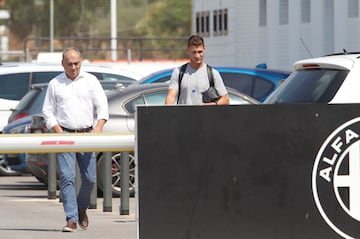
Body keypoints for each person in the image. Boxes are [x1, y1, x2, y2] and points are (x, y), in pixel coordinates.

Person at [42, 47, 109, 232]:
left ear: (81, 62)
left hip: (87, 135)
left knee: (90, 179)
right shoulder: (55, 84)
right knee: (67, 177)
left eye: (76, 63)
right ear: (62, 64)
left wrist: (98, 128)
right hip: (65, 135)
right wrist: (58, 130)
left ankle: (81, 208)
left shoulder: (91, 81)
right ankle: (71, 218)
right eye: (69, 64)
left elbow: (102, 106)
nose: (73, 67)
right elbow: (47, 111)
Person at [165, 34, 230, 105]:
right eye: (194, 52)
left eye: (200, 52)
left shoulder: (212, 73)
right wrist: (169, 113)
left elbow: (225, 99)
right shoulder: (178, 72)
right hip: (184, 115)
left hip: (205, 115)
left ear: (204, 49)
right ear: (187, 51)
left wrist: (212, 104)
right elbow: (171, 97)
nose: (197, 56)